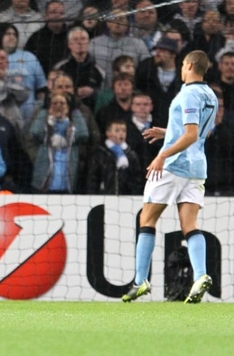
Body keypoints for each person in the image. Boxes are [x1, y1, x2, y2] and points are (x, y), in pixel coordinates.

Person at [122, 50, 218, 304]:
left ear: (188, 65)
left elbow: (189, 135)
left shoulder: (188, 94)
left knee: (147, 218)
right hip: (197, 167)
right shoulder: (211, 95)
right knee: (190, 224)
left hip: (175, 165)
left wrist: (162, 156)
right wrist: (168, 131)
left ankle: (140, 280)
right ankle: (200, 275)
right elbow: (201, 134)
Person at [86, 119, 142, 195]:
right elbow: (93, 179)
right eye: (117, 131)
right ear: (108, 133)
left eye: (124, 131)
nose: (121, 134)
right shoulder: (100, 153)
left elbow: (136, 180)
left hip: (127, 198)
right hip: (103, 196)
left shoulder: (131, 155)